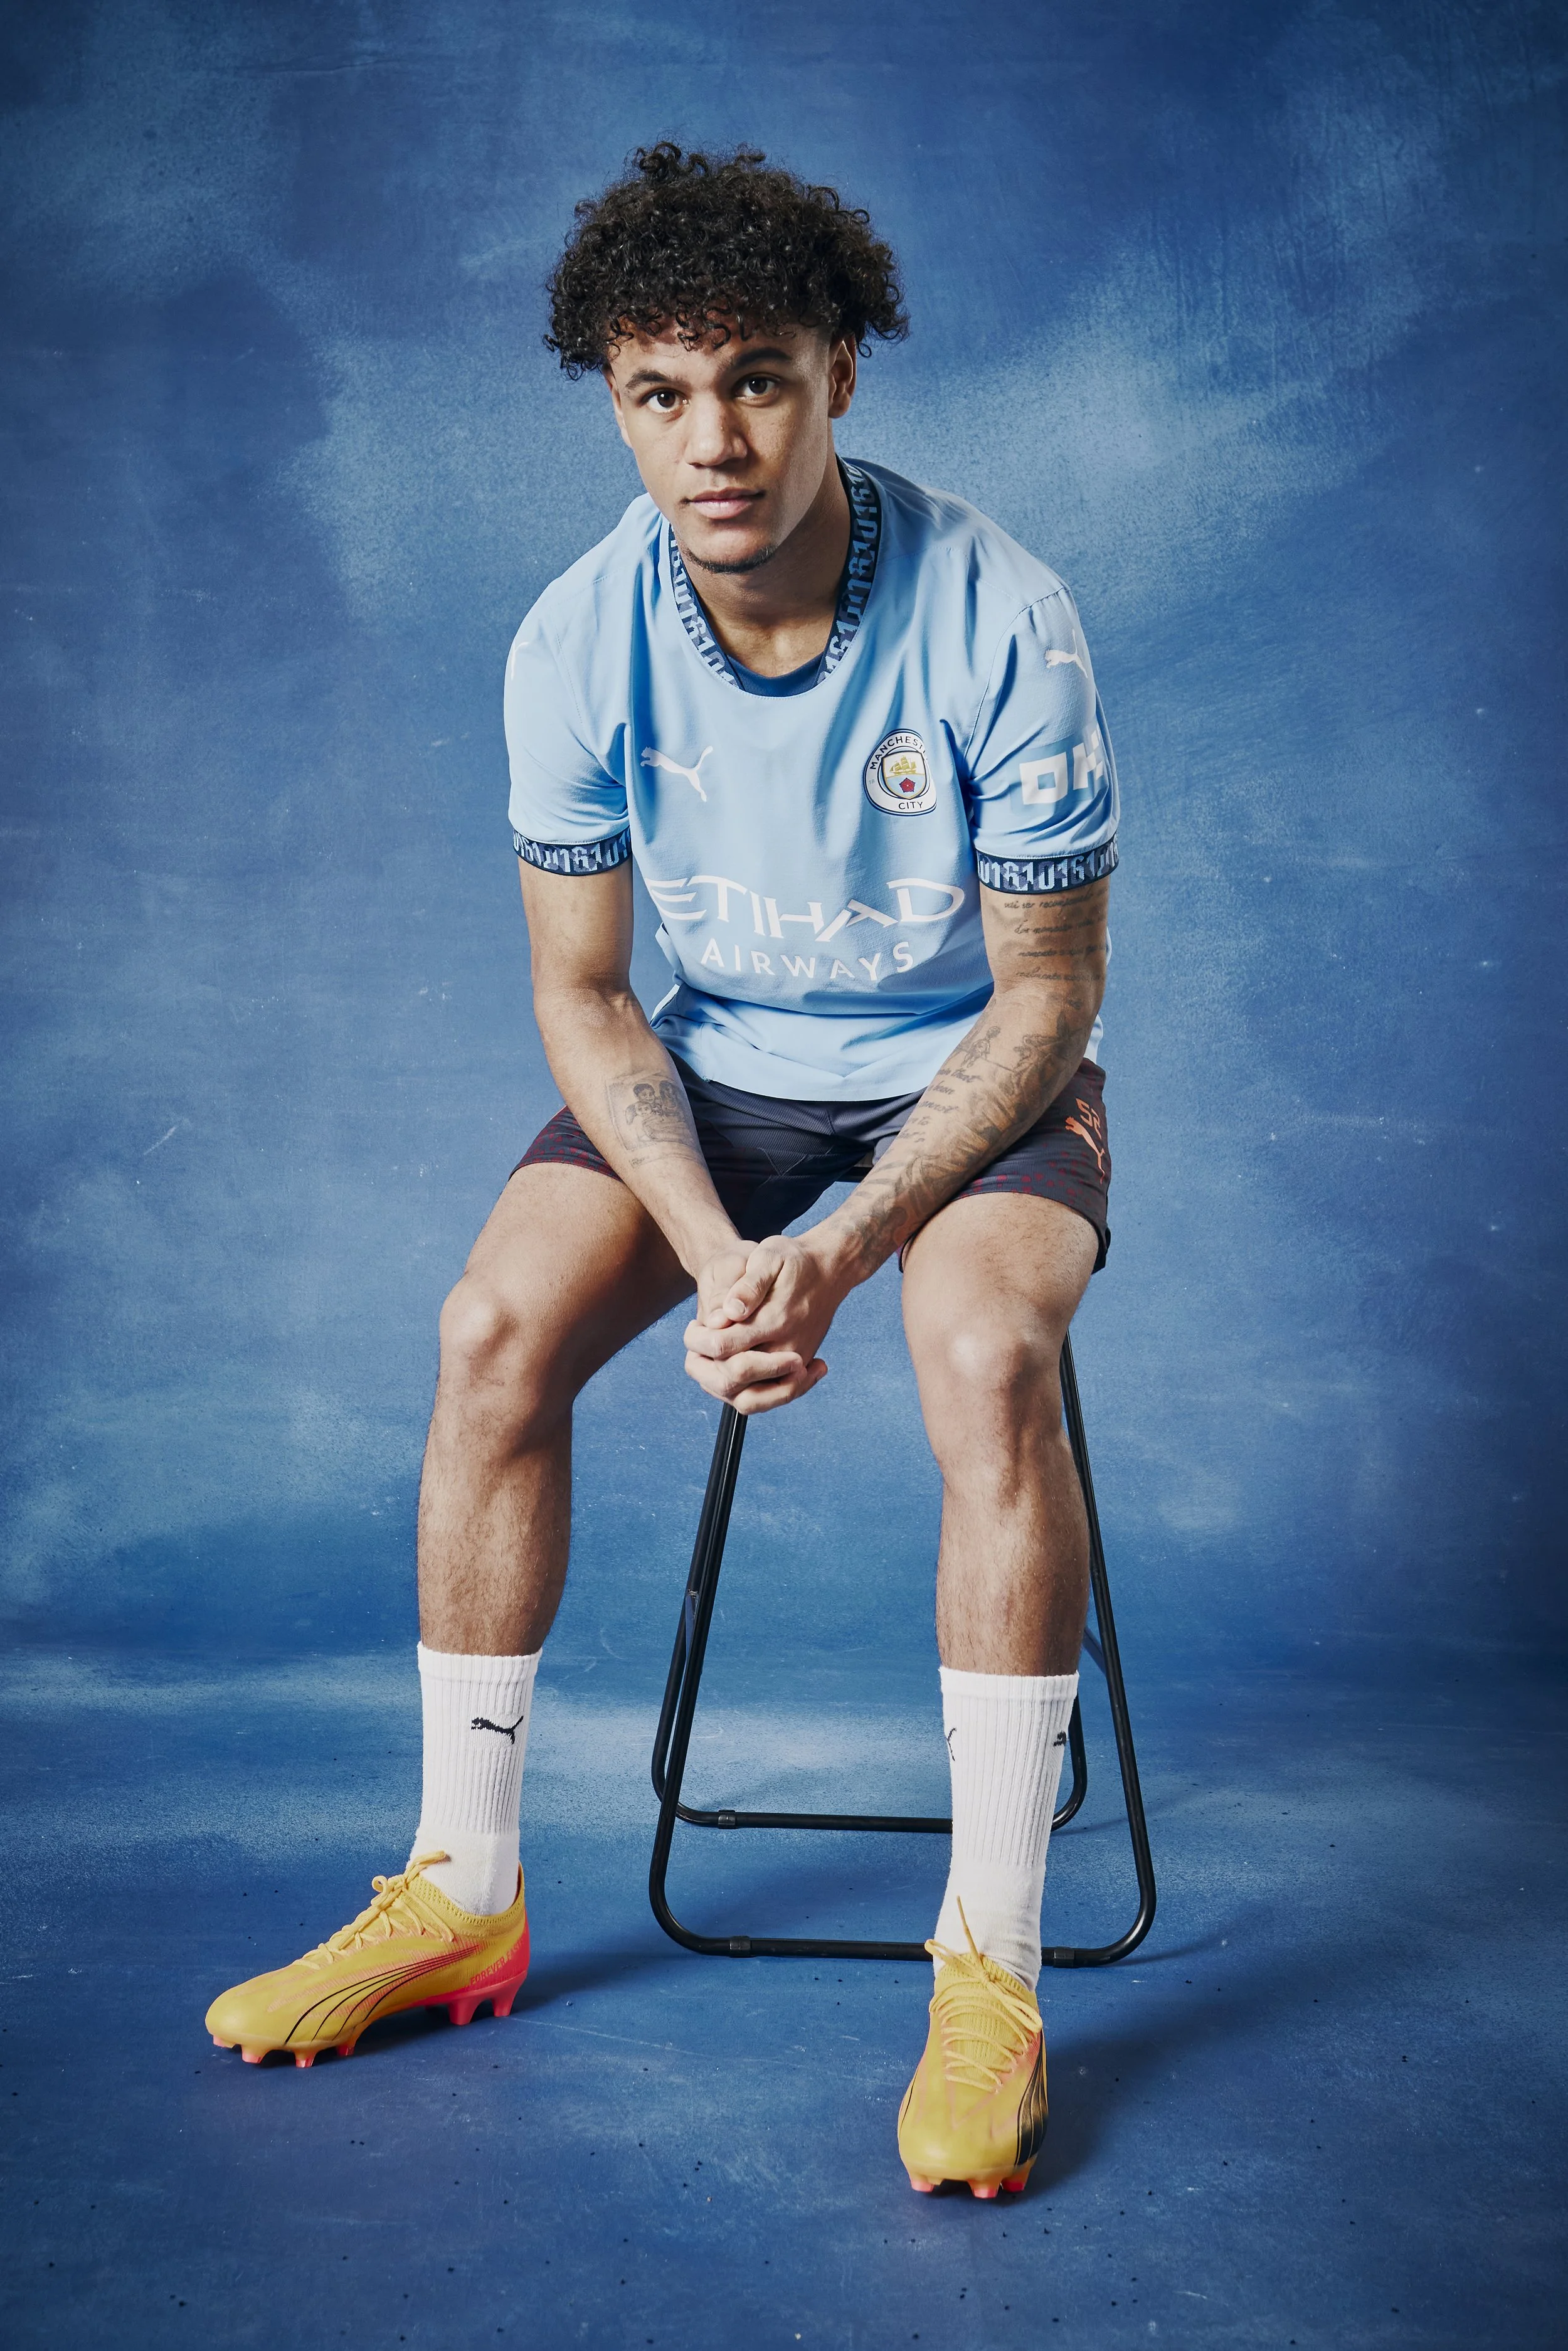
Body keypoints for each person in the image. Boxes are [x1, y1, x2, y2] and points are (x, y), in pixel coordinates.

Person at [206, 142, 1119, 2202]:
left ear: (842, 376)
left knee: (979, 1359)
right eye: (658, 392)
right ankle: (461, 1887)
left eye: (759, 381)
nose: (712, 441)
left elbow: (1049, 995)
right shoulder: (570, 641)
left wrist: (850, 1238)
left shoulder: (1002, 614)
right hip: (715, 1087)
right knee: (489, 1327)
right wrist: (726, 1248)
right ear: (612, 399)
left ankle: (992, 1967)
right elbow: (591, 996)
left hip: (965, 1082)